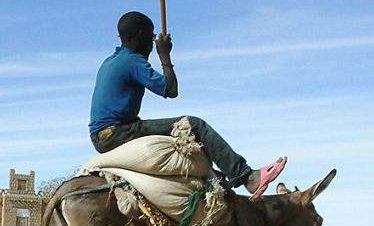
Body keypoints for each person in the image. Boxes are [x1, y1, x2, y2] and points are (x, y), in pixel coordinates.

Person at [89, 11, 286, 200]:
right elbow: (170, 89)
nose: (152, 42)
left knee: (187, 147)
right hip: (120, 132)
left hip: (103, 135)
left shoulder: (112, 61)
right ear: (140, 35)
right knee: (193, 125)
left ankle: (216, 179)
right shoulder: (132, 61)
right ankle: (246, 177)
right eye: (151, 36)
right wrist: (164, 54)